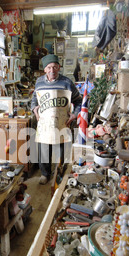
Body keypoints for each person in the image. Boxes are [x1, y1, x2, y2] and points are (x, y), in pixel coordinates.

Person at [31, 54, 83, 185]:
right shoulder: (39, 82)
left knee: (62, 150)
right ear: (45, 70)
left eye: (54, 67)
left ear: (59, 67)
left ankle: (61, 174)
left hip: (62, 122)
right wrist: (34, 109)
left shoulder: (66, 82)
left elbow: (78, 100)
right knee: (43, 149)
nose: (52, 70)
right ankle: (45, 174)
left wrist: (74, 114)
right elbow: (33, 100)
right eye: (49, 67)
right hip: (45, 122)